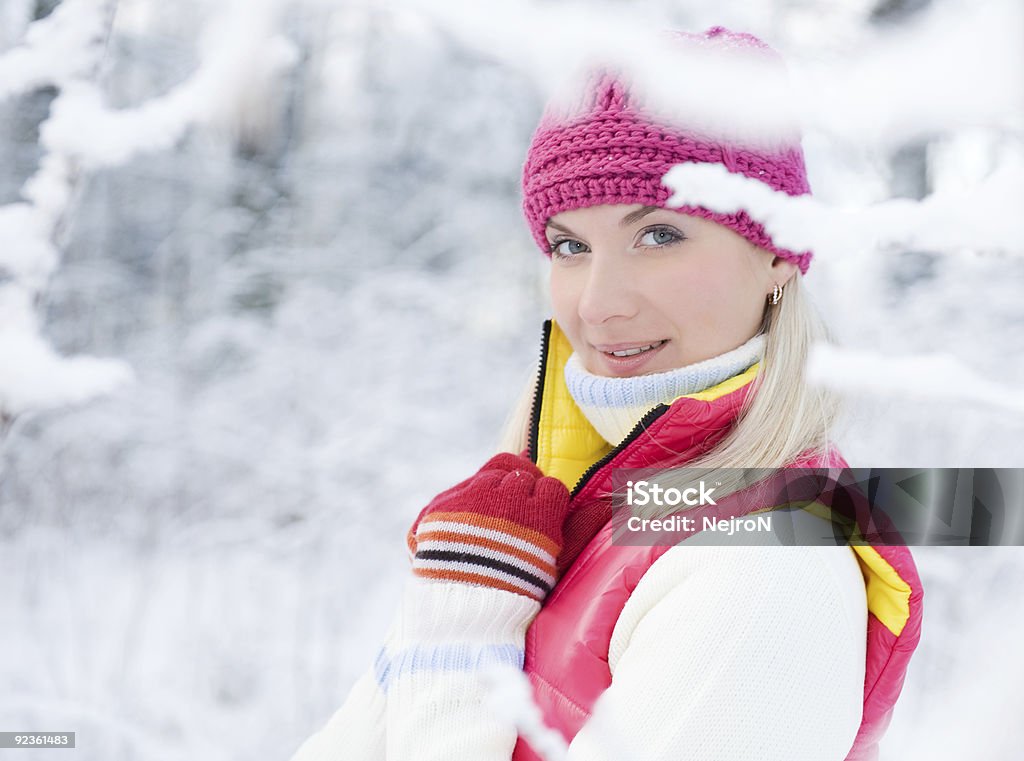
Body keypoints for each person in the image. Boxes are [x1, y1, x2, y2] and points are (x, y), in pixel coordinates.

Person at [286, 25, 923, 761]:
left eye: (658, 236)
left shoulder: (769, 565)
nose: (597, 303)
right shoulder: (571, 507)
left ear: (777, 252)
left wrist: (457, 634)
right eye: (570, 246)